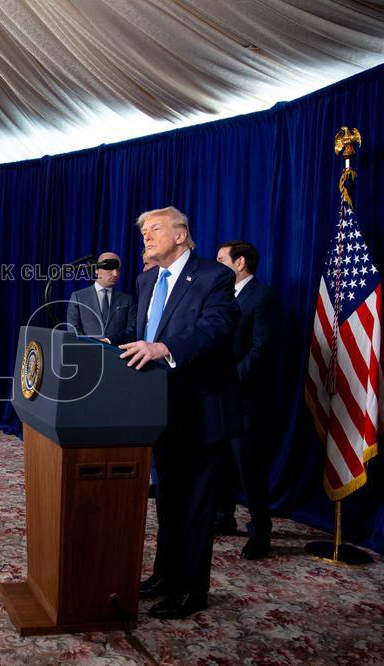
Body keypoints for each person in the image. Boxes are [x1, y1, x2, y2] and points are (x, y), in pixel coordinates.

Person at [119, 206, 241, 620]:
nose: (146, 238)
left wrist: (164, 348)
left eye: (153, 230)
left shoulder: (213, 276)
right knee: (168, 501)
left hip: (201, 409)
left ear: (180, 234)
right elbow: (141, 335)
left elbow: (214, 330)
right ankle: (165, 576)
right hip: (158, 410)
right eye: (143, 233)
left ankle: (192, 590)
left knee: (196, 506)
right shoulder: (145, 278)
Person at [215, 240, 280, 559]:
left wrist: (230, 381)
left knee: (249, 467)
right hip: (221, 397)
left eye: (221, 259)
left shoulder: (263, 296)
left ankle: (260, 532)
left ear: (240, 263)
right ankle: (224, 517)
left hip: (247, 398)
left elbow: (261, 349)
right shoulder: (223, 297)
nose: (216, 265)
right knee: (223, 462)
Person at [65, 251, 136, 344]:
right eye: (110, 269)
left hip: (116, 355)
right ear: (96, 269)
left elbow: (131, 332)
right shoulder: (78, 297)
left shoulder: (126, 299)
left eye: (118, 269)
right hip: (87, 355)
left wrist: (108, 341)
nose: (115, 274)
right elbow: (73, 332)